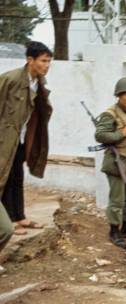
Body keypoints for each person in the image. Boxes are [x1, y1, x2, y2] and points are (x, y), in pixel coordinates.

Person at [0, 41, 53, 270]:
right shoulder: (10, 79)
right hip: (4, 140)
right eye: (43, 60)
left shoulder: (38, 83)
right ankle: (8, 221)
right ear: (30, 60)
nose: (47, 65)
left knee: (17, 177)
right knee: (3, 177)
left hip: (21, 139)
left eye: (49, 61)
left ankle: (19, 215)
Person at [95, 77, 126, 249]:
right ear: (119, 95)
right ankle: (114, 231)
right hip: (116, 163)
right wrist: (121, 133)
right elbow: (100, 135)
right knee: (117, 199)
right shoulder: (110, 114)